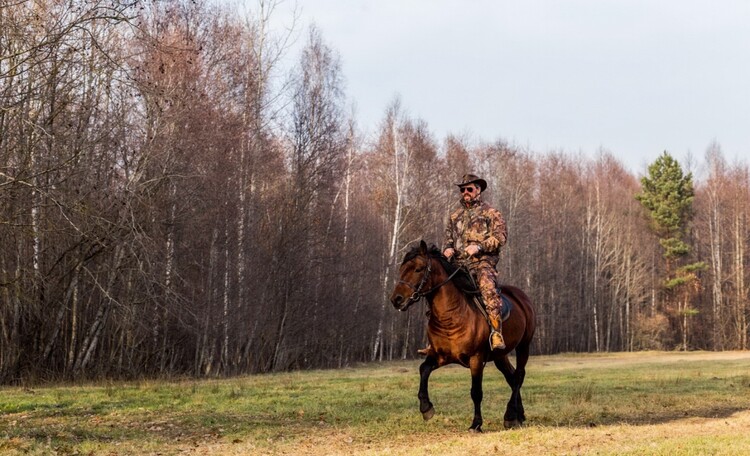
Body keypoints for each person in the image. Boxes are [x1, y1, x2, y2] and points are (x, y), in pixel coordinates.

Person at [419, 173, 508, 353]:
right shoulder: (455, 216)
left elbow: (501, 237)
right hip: (458, 264)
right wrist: (448, 249)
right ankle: (435, 340)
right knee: (436, 289)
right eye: (462, 189)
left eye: (469, 189)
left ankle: (496, 333)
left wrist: (480, 247)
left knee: (487, 288)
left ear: (478, 190)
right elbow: (449, 239)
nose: (465, 192)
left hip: (482, 262)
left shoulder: (491, 213)